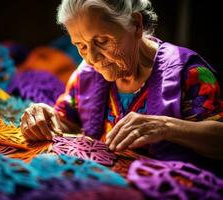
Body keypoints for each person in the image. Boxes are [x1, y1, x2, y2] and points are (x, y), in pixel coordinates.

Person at [21, 0, 223, 167]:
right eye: (81, 46)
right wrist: (44, 118)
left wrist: (166, 126)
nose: (91, 57)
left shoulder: (189, 73)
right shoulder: (86, 73)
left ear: (136, 25)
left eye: (102, 41)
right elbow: (66, 121)